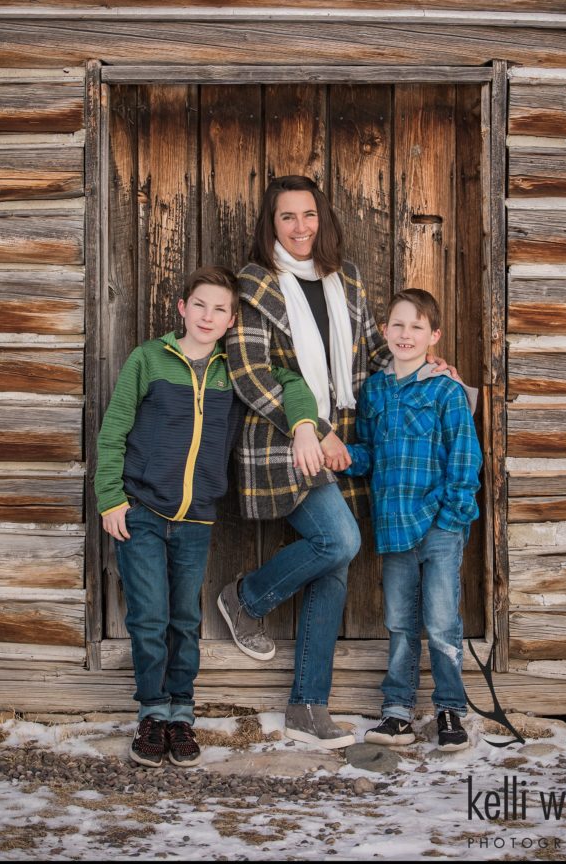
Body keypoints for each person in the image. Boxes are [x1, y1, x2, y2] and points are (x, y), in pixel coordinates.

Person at [219, 176, 455, 749]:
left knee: (334, 568)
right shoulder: (254, 283)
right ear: (269, 225)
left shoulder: (343, 277)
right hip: (283, 439)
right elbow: (250, 372)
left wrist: (425, 365)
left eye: (308, 215)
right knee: (339, 541)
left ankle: (307, 705)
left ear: (320, 219)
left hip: (341, 441)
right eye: (286, 218)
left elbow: (371, 351)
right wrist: (308, 426)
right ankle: (244, 598)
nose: (300, 228)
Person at [94, 265, 317, 769]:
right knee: (149, 617)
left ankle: (182, 717)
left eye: (219, 309)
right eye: (200, 305)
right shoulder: (149, 358)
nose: (207, 316)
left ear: (231, 319)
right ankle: (152, 715)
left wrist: (305, 426)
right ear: (182, 308)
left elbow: (290, 382)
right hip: (141, 512)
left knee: (184, 618)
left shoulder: (232, 371)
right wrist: (111, 498)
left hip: (196, 518)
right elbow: (113, 432)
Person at [338, 288, 482, 751]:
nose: (405, 334)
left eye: (417, 327)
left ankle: (449, 710)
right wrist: (340, 456)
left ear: (433, 336)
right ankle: (397, 712)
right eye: (397, 325)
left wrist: (453, 516)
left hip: (440, 524)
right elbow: (370, 453)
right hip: (395, 524)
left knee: (441, 622)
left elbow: (465, 456)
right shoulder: (375, 390)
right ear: (384, 331)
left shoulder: (446, 390)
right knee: (400, 622)